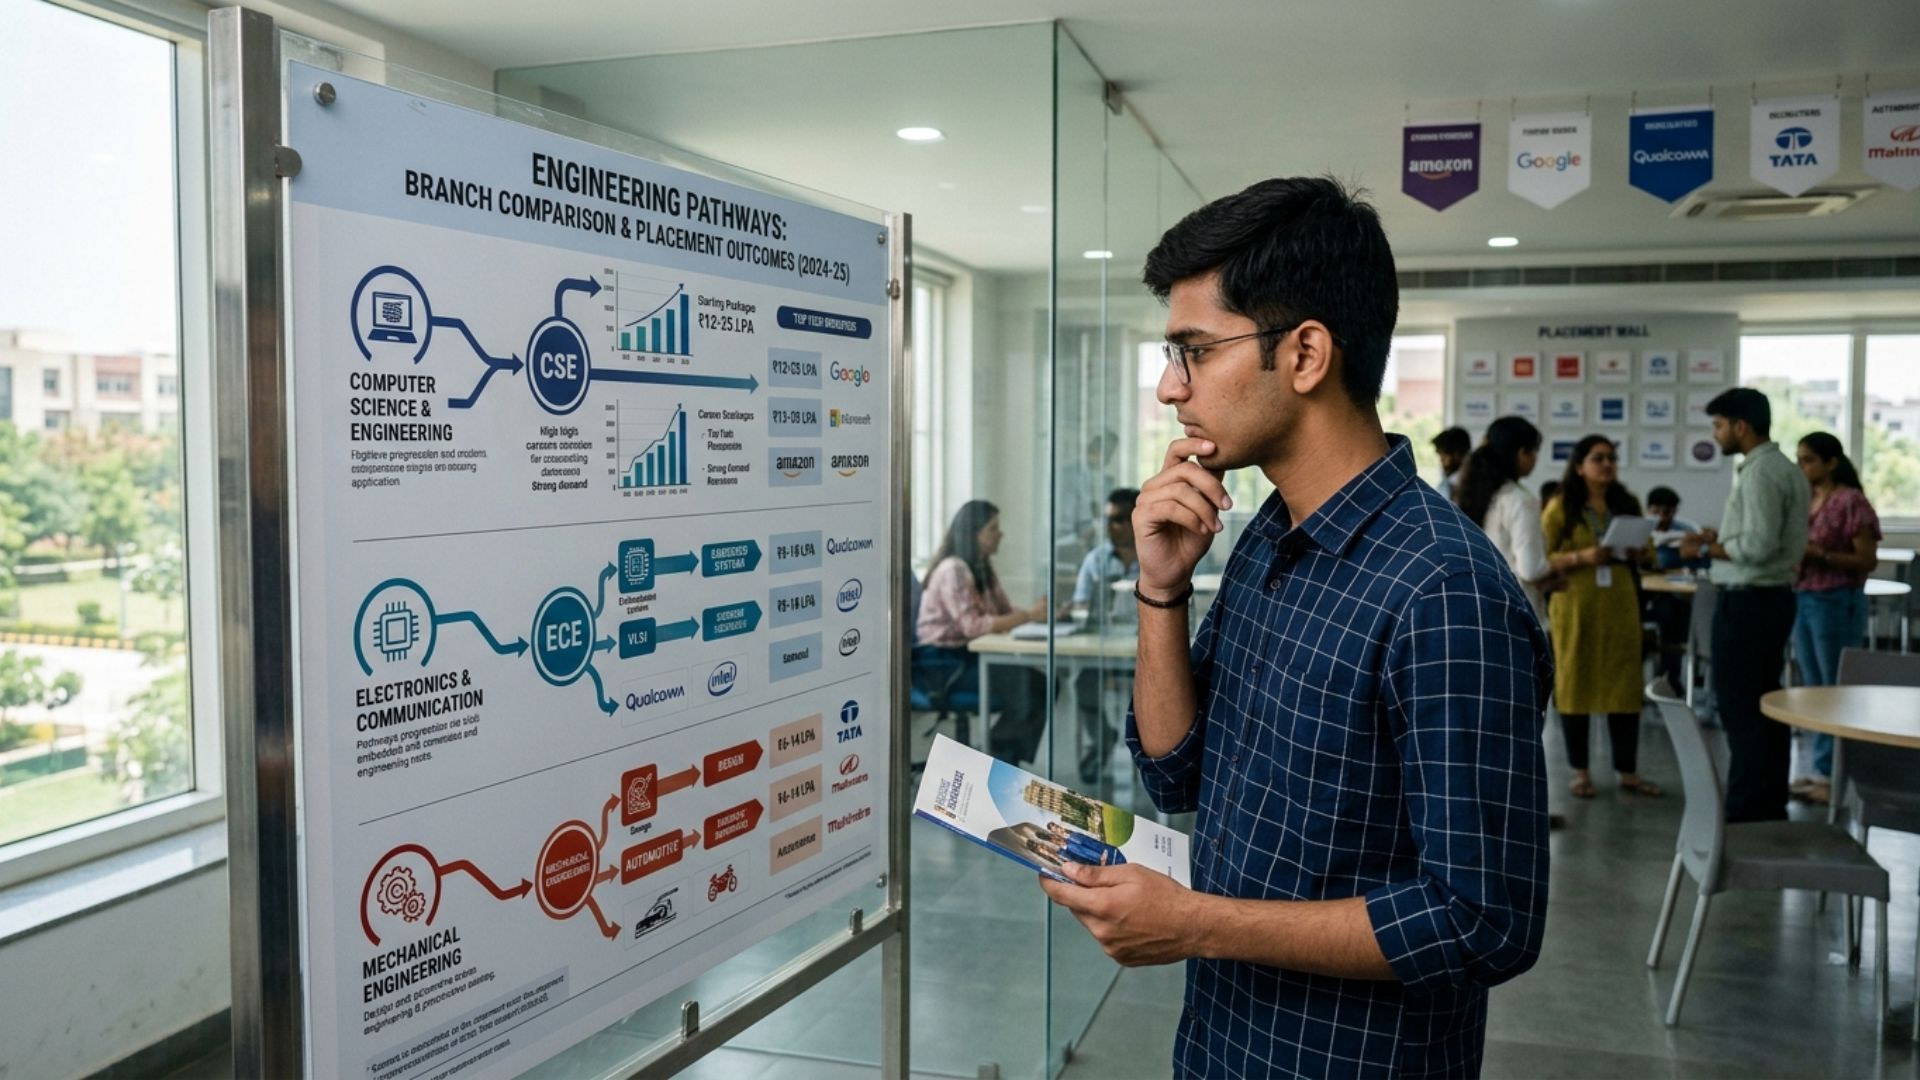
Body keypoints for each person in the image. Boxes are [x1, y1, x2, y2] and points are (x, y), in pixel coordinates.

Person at [1039, 176, 1550, 1077]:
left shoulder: (1444, 590)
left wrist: (1196, 921)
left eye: (1194, 351)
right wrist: (1162, 589)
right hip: (1225, 1038)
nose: (1168, 387)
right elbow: (1174, 769)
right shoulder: (1270, 535)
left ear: (1306, 353)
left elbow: (1482, 921)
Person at [1681, 388, 1809, 823]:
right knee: (1765, 706)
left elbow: (1755, 546)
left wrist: (1704, 550)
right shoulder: (1784, 468)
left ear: (1741, 426)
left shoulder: (1758, 473)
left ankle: (1744, 809)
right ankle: (1766, 802)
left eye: (1718, 426)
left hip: (1750, 602)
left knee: (1741, 709)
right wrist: (1720, 541)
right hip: (1770, 599)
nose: (1715, 435)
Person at [1542, 436, 1662, 800]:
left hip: (1620, 604)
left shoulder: (1627, 503)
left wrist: (1640, 553)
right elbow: (1542, 560)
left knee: (1624, 687)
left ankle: (1627, 772)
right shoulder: (1561, 506)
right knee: (1574, 684)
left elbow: (1652, 556)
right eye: (1598, 458)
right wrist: (1584, 557)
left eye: (1612, 458)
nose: (1607, 464)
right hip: (1577, 605)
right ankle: (1580, 772)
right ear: (1579, 466)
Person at [917, 500, 1050, 764]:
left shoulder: (981, 566)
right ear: (974, 534)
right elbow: (972, 627)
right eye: (993, 528)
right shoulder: (953, 569)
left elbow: (1003, 610)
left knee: (1045, 684)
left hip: (969, 656)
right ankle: (994, 763)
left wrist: (1041, 616)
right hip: (943, 664)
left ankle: (1001, 760)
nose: (999, 534)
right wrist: (1028, 616)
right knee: (1024, 689)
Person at [1790, 432, 1881, 803]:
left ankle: (1836, 773)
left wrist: (1821, 556)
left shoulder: (1850, 501)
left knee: (1836, 686)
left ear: (1830, 462)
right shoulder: (1806, 500)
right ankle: (1819, 769)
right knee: (1814, 688)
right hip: (1804, 597)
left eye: (1809, 459)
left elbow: (1866, 560)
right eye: (1799, 460)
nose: (1802, 467)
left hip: (1836, 599)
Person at [1071, 488, 1141, 784]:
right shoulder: (1095, 559)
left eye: (1120, 519)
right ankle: (1102, 739)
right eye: (1109, 520)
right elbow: (1080, 605)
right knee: (1086, 682)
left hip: (1146, 652)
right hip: (1106, 647)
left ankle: (1149, 757)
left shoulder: (1160, 553)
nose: (1112, 527)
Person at [1457, 415, 1554, 625]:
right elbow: (1531, 568)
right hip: (1518, 611)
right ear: (1522, 453)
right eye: (1534, 451)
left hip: (1479, 603)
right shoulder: (1520, 500)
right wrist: (1568, 561)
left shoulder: (1474, 493)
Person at [1642, 486, 1701, 695]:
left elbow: (1699, 564)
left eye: (1667, 512)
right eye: (1656, 511)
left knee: (1675, 614)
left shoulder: (1686, 531)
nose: (1661, 517)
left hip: (1674, 595)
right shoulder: (1639, 530)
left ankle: (1670, 676)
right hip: (1644, 596)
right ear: (1648, 509)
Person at [1431, 425, 1471, 496]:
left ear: (1458, 454)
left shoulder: (1473, 484)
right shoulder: (1446, 481)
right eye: (1440, 455)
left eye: (1445, 455)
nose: (1441, 460)